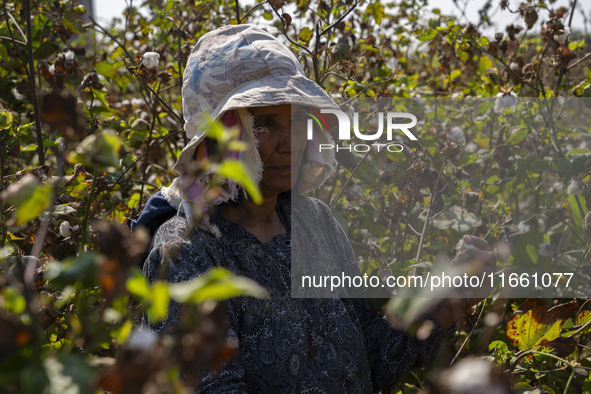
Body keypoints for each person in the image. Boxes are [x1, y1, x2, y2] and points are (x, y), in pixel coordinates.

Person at [132, 24, 497, 393]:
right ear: (222, 135)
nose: (291, 144)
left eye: (296, 120)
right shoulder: (186, 254)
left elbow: (367, 362)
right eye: (265, 123)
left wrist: (444, 305)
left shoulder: (316, 223)